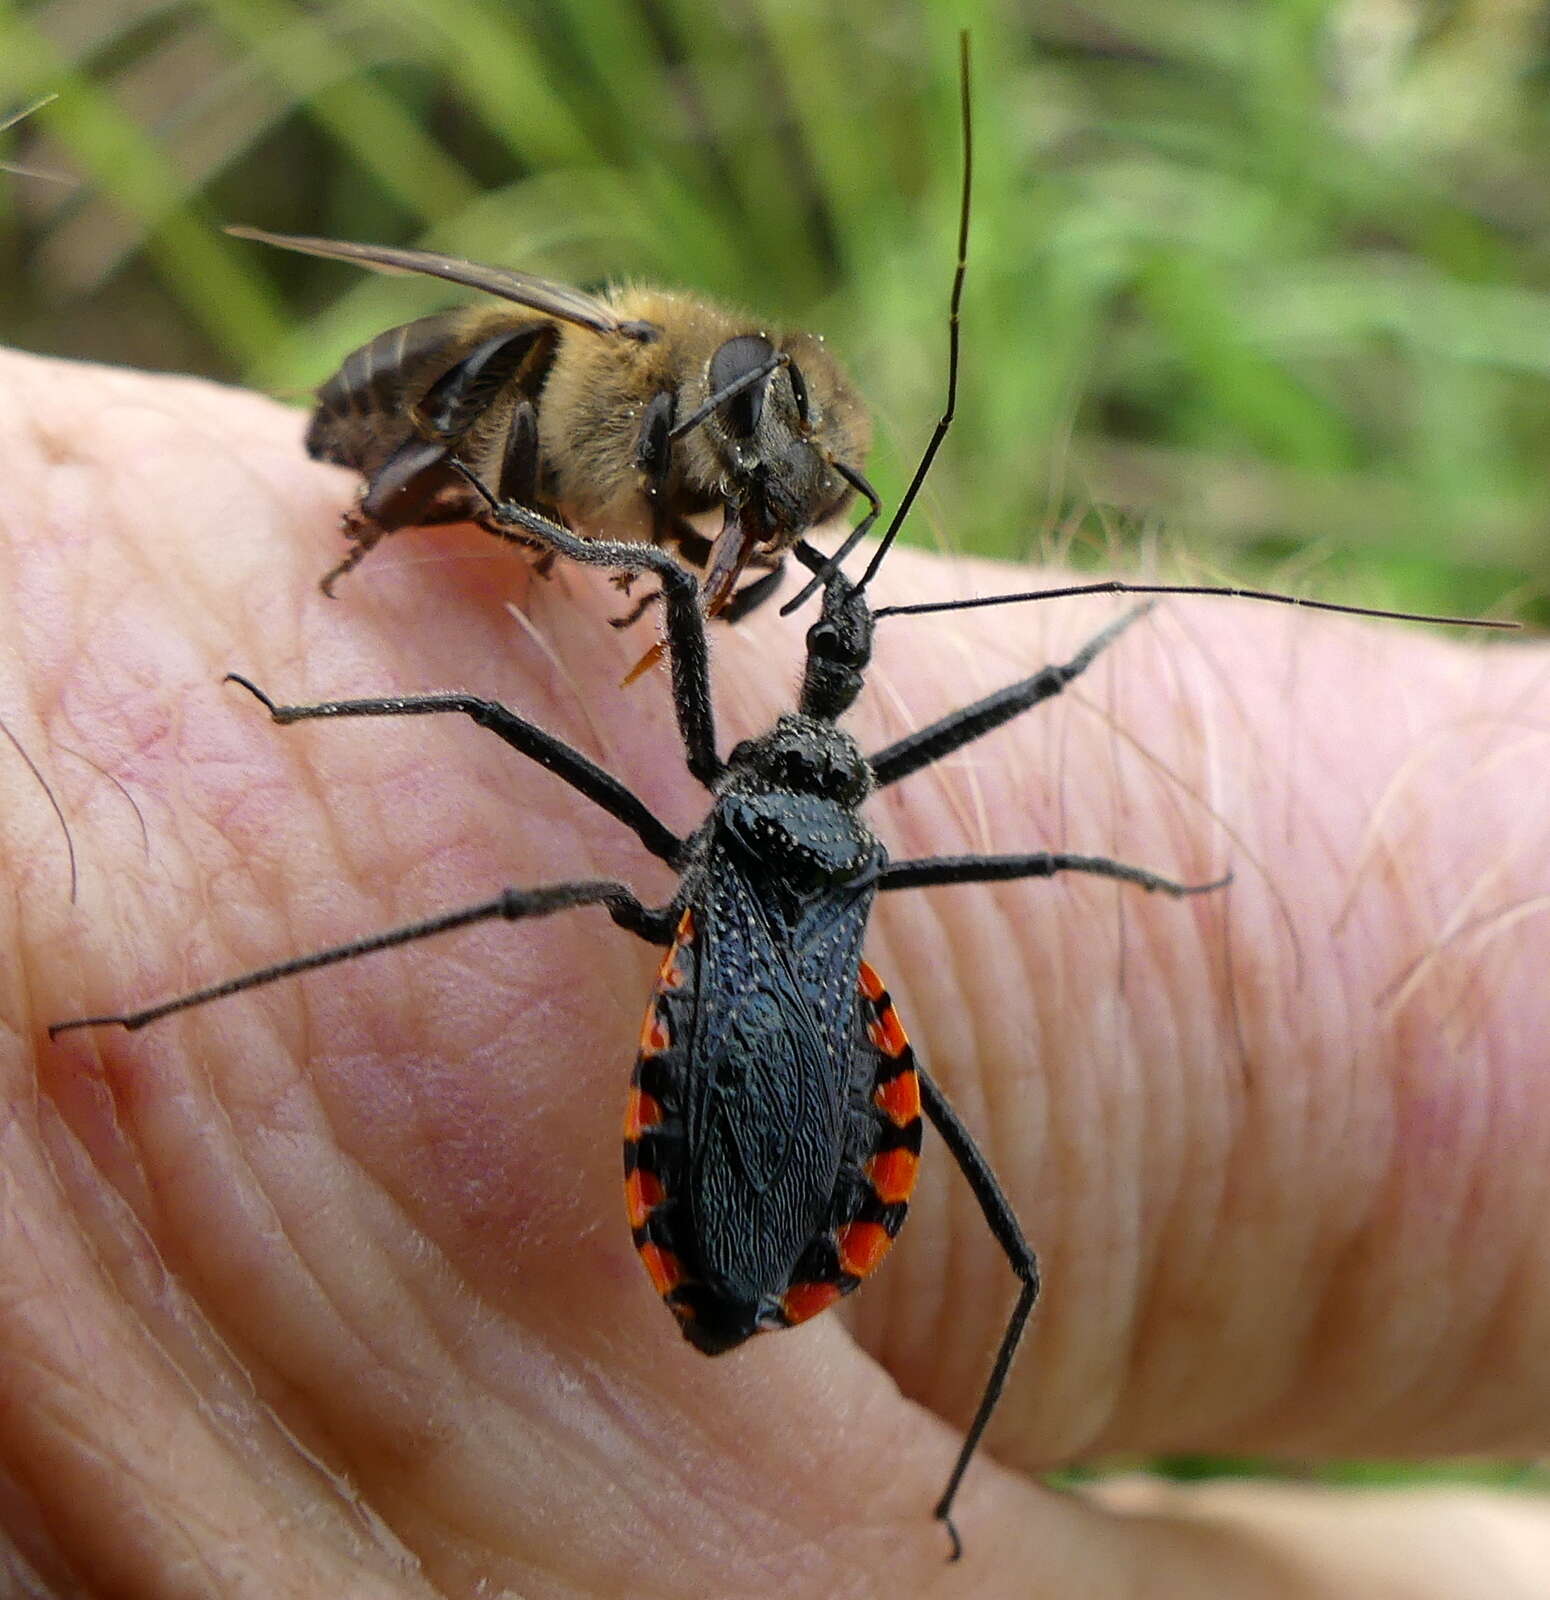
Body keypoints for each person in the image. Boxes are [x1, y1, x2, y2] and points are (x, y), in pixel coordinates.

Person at [4, 347, 1548, 1597]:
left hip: (746, 1023)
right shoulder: (827, 819)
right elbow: (1000, 779)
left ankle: (166, 999)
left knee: (526, 865)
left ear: (753, 773)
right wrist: (1119, 813)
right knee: (1008, 1240)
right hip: (803, 1015)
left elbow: (598, 651)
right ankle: (160, 1007)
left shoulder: (731, 790)